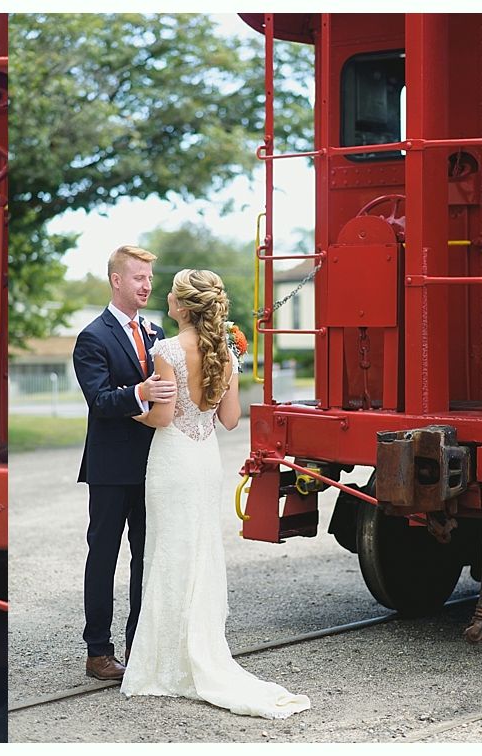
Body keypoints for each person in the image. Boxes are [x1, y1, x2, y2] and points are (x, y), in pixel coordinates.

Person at [120, 269, 310, 719]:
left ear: (183, 306)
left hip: (172, 460)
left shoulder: (166, 349)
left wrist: (134, 411)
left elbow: (162, 419)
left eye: (170, 292)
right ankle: (197, 649)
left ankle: (164, 665)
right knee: (199, 553)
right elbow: (229, 420)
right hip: (205, 460)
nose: (163, 295)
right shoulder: (225, 351)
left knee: (168, 553)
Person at [72, 245, 175, 681]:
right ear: (117, 280)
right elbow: (99, 400)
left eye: (150, 277)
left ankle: (139, 646)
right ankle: (98, 652)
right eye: (138, 278)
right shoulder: (92, 337)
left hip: (156, 463)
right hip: (111, 468)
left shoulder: (157, 331)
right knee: (104, 556)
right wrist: (141, 393)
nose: (147, 285)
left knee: (145, 556)